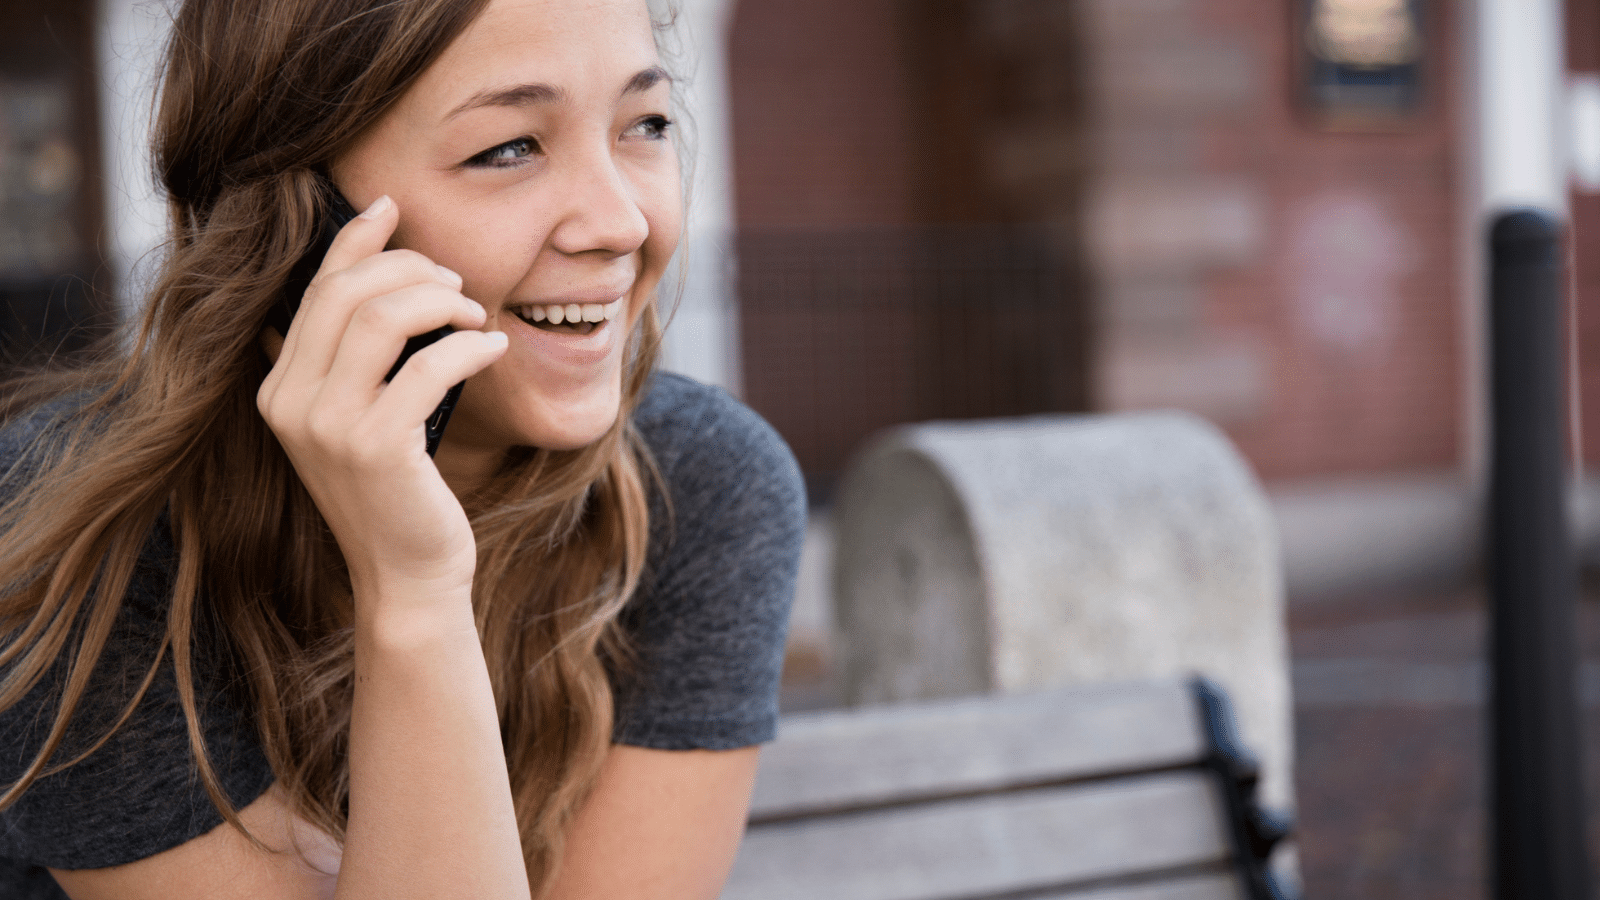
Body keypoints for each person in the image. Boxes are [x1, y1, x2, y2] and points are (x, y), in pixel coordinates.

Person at [0, 0, 805, 897]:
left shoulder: (700, 486)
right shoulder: (77, 536)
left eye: (644, 124)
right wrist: (413, 589)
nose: (619, 223)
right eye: (509, 148)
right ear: (300, 219)